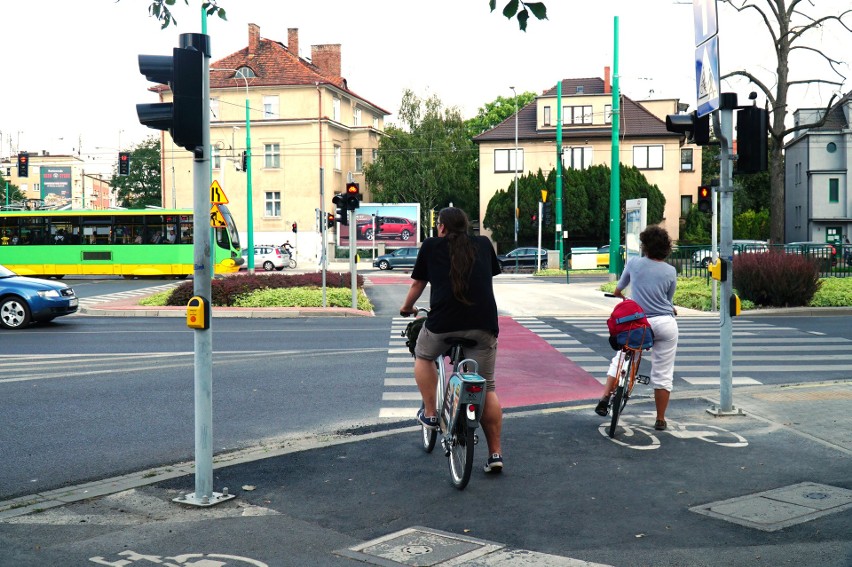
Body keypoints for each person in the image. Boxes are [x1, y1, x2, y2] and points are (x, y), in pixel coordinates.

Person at [399, 207, 505, 473]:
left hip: (443, 324)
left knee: (423, 356)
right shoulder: (482, 243)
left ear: (442, 227)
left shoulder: (432, 246)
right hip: (483, 325)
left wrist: (406, 308)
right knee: (487, 387)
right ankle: (495, 455)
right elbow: (487, 276)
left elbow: (418, 285)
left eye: (437, 224)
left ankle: (432, 415)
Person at [595, 225, 679, 431]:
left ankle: (606, 397)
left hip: (639, 323)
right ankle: (660, 419)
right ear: (666, 248)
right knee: (663, 372)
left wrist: (619, 294)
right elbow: (668, 299)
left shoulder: (634, 263)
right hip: (665, 323)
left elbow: (618, 288)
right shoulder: (670, 271)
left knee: (620, 359)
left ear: (644, 246)